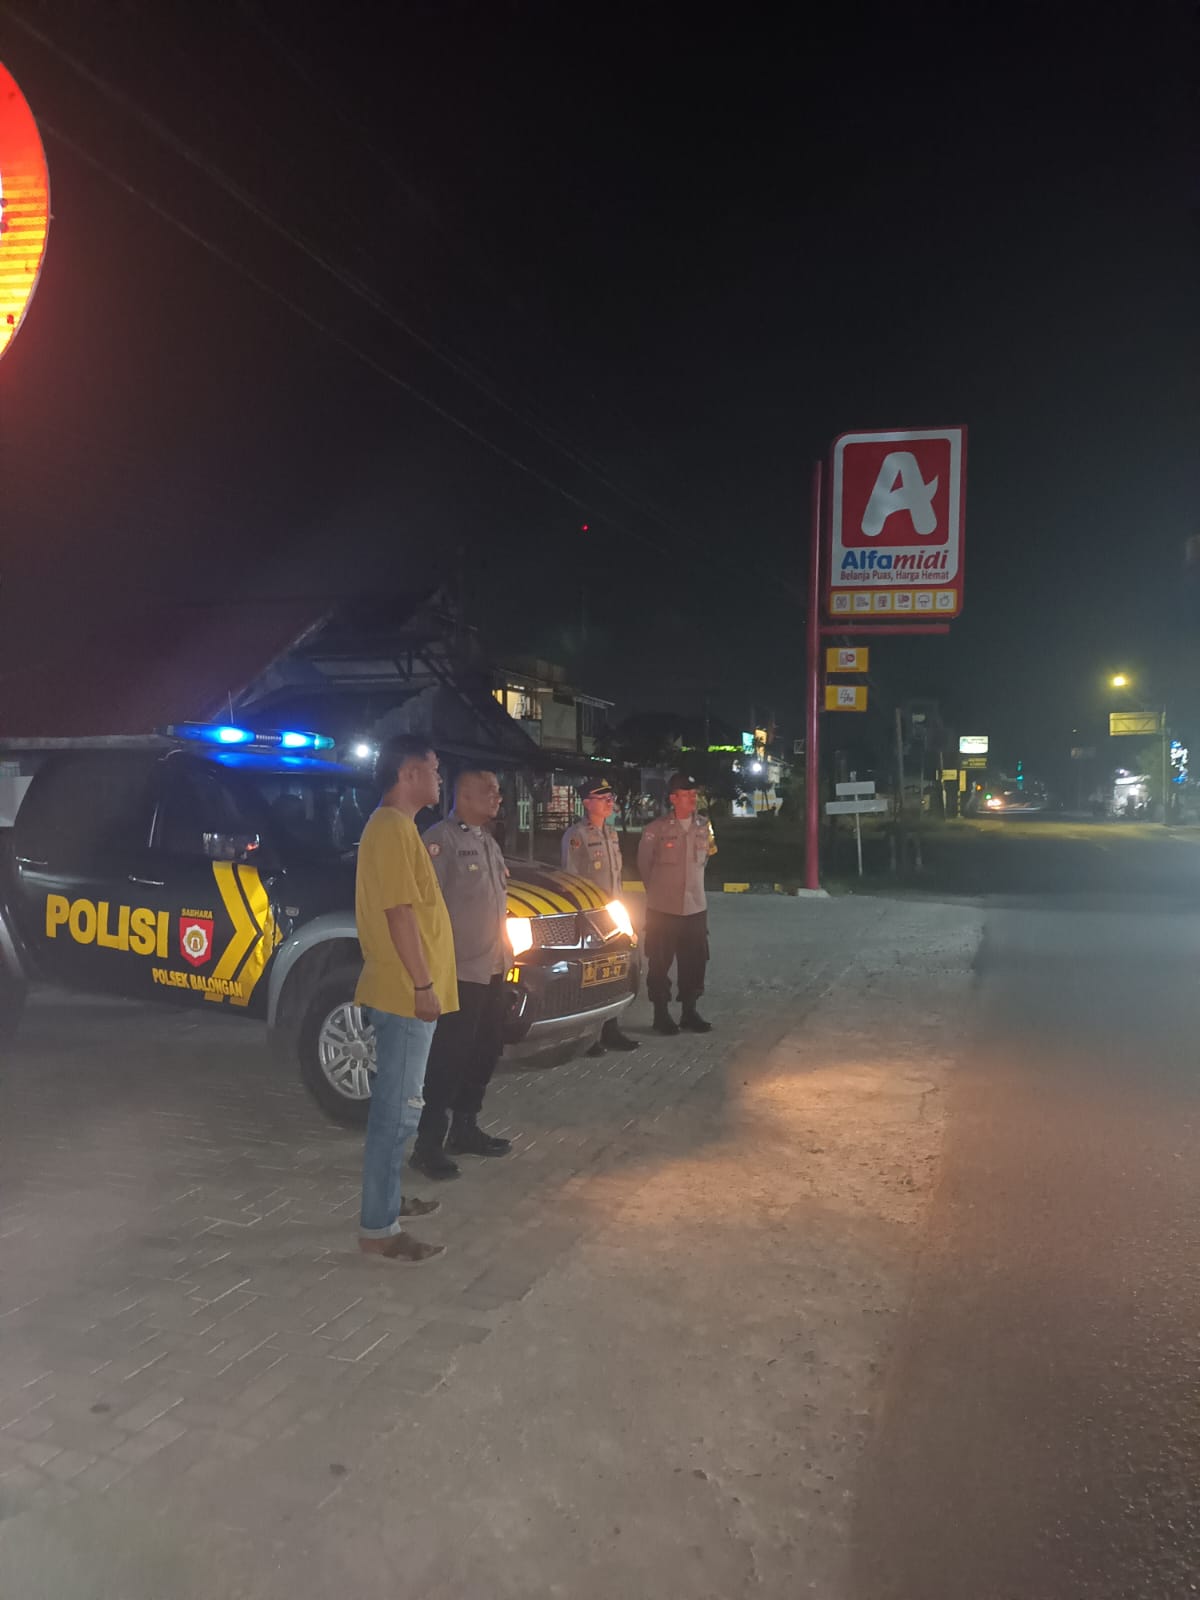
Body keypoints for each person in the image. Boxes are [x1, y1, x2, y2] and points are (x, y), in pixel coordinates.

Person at [354, 734, 457, 1263]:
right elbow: (400, 914)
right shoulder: (392, 828)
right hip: (403, 991)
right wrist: (421, 984)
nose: (439, 778)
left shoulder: (398, 827)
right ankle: (379, 1228)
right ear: (409, 773)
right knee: (397, 1116)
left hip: (407, 988)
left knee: (398, 1111)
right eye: (434, 768)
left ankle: (388, 1201)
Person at [411, 769, 515, 1180]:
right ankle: (427, 1144)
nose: (497, 797)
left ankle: (465, 1127)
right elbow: (423, 908)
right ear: (465, 796)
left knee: (484, 1051)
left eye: (498, 791)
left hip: (493, 967)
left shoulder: (487, 841)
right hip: (458, 970)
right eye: (489, 791)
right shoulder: (441, 841)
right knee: (447, 1058)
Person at [561, 776, 639, 1054]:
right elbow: (570, 879)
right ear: (587, 803)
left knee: (614, 972)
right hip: (592, 918)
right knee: (592, 976)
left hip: (614, 914)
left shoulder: (610, 833)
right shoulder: (577, 836)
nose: (609, 802)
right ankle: (588, 1036)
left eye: (610, 798)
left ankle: (611, 1029)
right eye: (602, 798)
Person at [637, 772, 717, 1036]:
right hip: (663, 909)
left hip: (695, 908)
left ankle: (689, 1011)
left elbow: (705, 860)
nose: (693, 798)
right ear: (673, 798)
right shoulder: (656, 830)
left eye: (695, 794)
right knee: (660, 962)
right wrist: (660, 892)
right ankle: (661, 1014)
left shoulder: (704, 826)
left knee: (695, 961)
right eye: (687, 794)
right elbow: (644, 866)